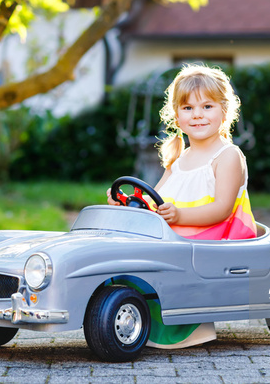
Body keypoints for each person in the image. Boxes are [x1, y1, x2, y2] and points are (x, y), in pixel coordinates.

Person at [107, 63, 257, 348]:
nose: (198, 114)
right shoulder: (178, 160)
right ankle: (123, 306)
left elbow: (222, 209)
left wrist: (178, 215)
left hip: (216, 237)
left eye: (207, 106)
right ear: (176, 115)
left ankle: (183, 323)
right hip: (179, 233)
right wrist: (126, 205)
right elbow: (154, 203)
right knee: (122, 247)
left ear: (225, 111)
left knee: (163, 256)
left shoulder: (228, 156)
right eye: (188, 108)